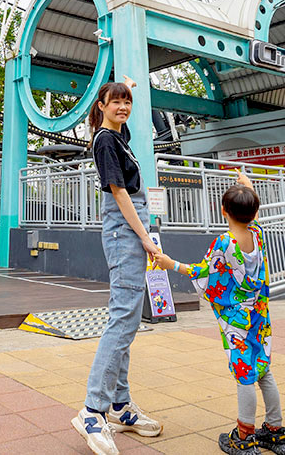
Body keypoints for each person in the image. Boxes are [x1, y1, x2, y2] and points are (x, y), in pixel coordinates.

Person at [154, 173, 285, 455]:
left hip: (237, 322)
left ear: (223, 210)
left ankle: (244, 437)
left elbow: (202, 271)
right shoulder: (257, 234)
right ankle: (275, 430)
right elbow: (254, 212)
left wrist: (171, 264)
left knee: (244, 376)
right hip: (260, 317)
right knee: (264, 370)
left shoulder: (225, 243)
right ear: (253, 212)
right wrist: (248, 186)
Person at [72, 80, 164, 455]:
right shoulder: (105, 140)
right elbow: (120, 192)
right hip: (124, 232)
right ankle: (93, 410)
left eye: (127, 102)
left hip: (128, 231)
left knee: (126, 319)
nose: (123, 107)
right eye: (116, 102)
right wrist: (145, 237)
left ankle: (121, 405)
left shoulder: (118, 137)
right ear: (102, 106)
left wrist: (126, 84)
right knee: (123, 319)